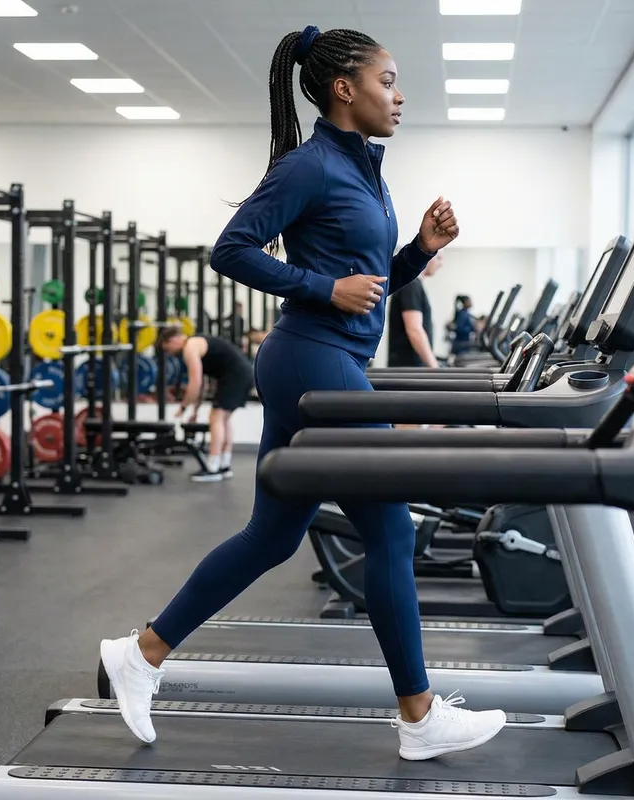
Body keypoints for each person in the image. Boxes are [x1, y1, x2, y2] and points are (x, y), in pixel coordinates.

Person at [100, 24, 506, 760]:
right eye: (388, 81)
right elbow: (231, 249)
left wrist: (419, 251)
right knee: (390, 529)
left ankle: (141, 654)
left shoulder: (365, 169)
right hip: (313, 358)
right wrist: (322, 287)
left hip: (322, 357)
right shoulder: (310, 165)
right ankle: (419, 717)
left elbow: (367, 283)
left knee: (273, 536)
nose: (400, 96)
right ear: (345, 89)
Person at [157, 327, 254, 482]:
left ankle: (212, 467)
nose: (169, 354)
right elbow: (202, 385)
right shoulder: (197, 344)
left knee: (216, 417)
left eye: (167, 349)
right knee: (224, 418)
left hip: (235, 376)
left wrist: (183, 407)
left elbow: (194, 383)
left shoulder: (190, 348)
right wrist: (195, 411)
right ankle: (224, 465)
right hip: (243, 374)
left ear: (174, 340)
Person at [386, 251, 443, 367]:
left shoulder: (413, 284)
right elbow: (414, 330)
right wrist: (434, 367)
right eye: (439, 258)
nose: (441, 264)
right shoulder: (411, 284)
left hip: (411, 366)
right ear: (429, 256)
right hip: (408, 368)